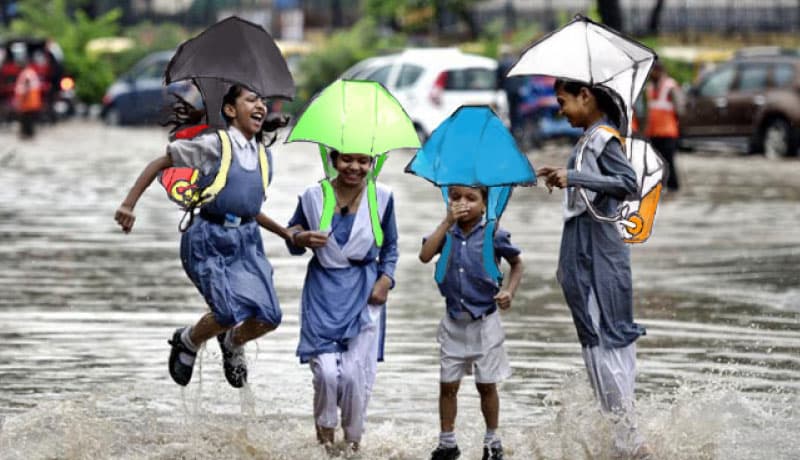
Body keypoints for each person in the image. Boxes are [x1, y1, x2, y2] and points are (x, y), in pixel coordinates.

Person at [114, 85, 292, 389]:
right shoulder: (214, 145)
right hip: (208, 238)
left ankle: (232, 342)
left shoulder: (264, 157)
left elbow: (248, 209)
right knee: (225, 311)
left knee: (269, 316)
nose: (260, 105)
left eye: (263, 100)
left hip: (247, 242)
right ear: (231, 110)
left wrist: (287, 234)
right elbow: (161, 162)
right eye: (251, 100)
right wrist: (129, 205)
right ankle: (188, 340)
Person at [537, 79, 653, 459]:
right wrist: (564, 173)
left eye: (563, 102)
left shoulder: (604, 137)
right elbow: (595, 190)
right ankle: (623, 440)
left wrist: (574, 176)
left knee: (605, 341)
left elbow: (628, 184)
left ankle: (631, 443)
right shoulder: (589, 138)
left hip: (596, 254)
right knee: (596, 342)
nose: (560, 111)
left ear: (585, 96)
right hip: (583, 252)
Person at [286, 150, 398, 454]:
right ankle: (324, 443)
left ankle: (352, 445)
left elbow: (390, 248)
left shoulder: (383, 198)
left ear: (371, 165)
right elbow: (292, 235)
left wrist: (385, 281)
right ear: (333, 160)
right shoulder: (313, 196)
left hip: (365, 293)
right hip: (323, 292)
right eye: (348, 159)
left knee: (352, 376)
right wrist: (300, 238)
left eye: (363, 161)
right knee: (324, 372)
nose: (355, 167)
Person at [419, 185, 523, 460]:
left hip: (485, 321)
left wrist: (509, 291)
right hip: (453, 320)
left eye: (470, 198)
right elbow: (425, 255)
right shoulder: (446, 234)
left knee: (486, 385)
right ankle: (447, 442)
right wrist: (446, 221)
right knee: (447, 384)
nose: (462, 203)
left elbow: (517, 263)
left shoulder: (494, 234)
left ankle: (492, 441)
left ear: (484, 204)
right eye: (455, 197)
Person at [645, 61, 683, 192]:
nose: (651, 74)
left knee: (669, 163)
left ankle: (673, 188)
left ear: (660, 71)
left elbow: (680, 109)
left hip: (668, 133)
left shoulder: (670, 86)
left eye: (654, 71)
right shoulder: (649, 87)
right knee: (655, 164)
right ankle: (660, 188)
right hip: (653, 133)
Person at [13, 57, 43, 139]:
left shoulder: (27, 73)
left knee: (26, 118)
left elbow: (27, 85)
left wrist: (22, 99)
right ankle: (28, 133)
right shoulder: (29, 72)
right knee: (28, 117)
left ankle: (27, 134)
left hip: (28, 100)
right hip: (29, 100)